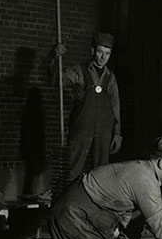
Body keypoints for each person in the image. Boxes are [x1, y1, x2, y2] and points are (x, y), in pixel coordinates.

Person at [52, 32, 122, 182]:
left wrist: (117, 133)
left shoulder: (110, 77)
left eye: (107, 54)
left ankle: (96, 205)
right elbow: (57, 81)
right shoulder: (79, 71)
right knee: (73, 170)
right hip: (82, 129)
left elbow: (115, 106)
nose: (103, 58)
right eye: (100, 52)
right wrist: (54, 58)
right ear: (92, 51)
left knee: (102, 174)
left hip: (103, 131)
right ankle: (69, 202)